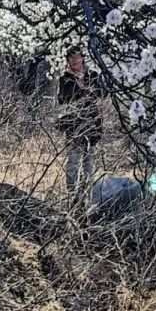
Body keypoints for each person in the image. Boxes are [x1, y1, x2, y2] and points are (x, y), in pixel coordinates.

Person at [57, 46, 104, 200]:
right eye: (71, 58)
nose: (74, 61)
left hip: (92, 126)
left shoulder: (94, 76)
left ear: (83, 58)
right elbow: (64, 100)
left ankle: (87, 197)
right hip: (73, 127)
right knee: (72, 165)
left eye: (77, 57)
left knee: (89, 165)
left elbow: (101, 95)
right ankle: (72, 197)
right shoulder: (64, 79)